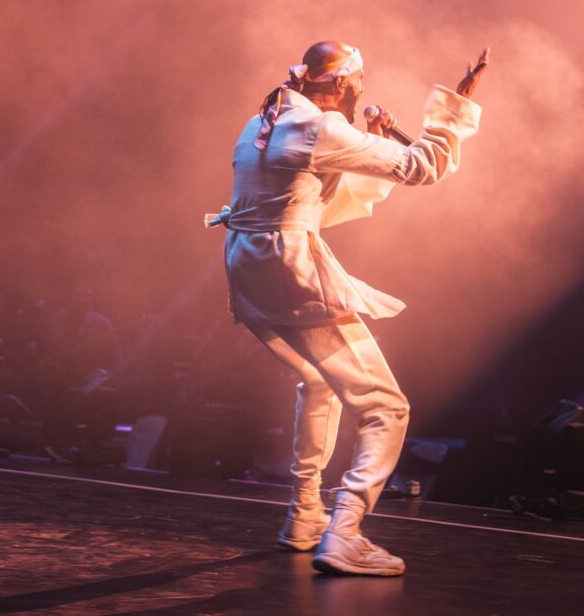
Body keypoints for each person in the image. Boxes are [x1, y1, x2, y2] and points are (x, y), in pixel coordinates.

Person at [205, 40, 487, 576]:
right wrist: (456, 105)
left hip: (249, 269)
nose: (362, 92)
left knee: (317, 382)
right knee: (387, 408)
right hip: (290, 272)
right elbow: (425, 166)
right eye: (358, 83)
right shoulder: (322, 129)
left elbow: (308, 203)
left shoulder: (263, 120)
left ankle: (304, 516)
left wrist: (365, 143)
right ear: (338, 84)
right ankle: (346, 532)